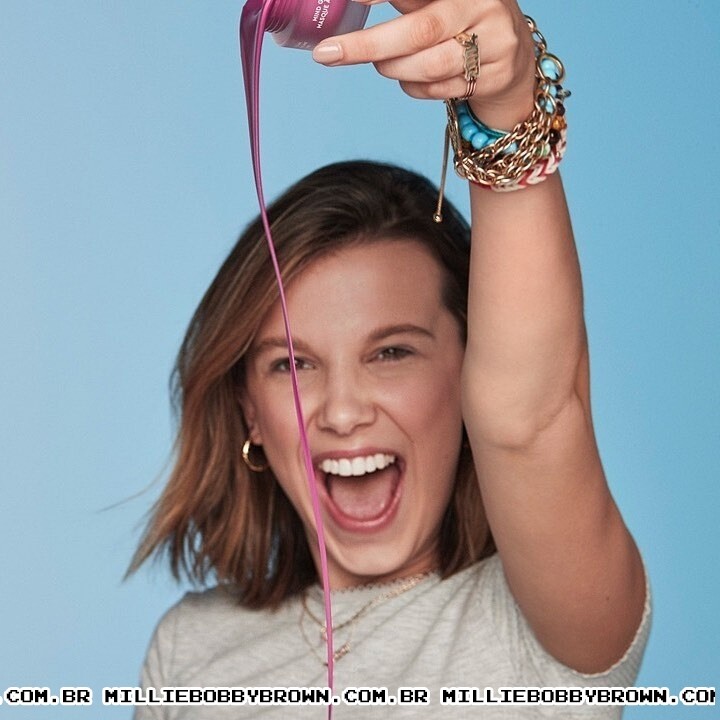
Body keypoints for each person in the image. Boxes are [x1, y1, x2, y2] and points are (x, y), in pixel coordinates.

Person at [130, 0, 650, 717]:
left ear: (471, 374)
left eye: (392, 352)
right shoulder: (190, 652)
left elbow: (529, 420)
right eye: (292, 364)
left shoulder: (543, 630)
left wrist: (505, 105)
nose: (342, 412)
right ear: (249, 411)